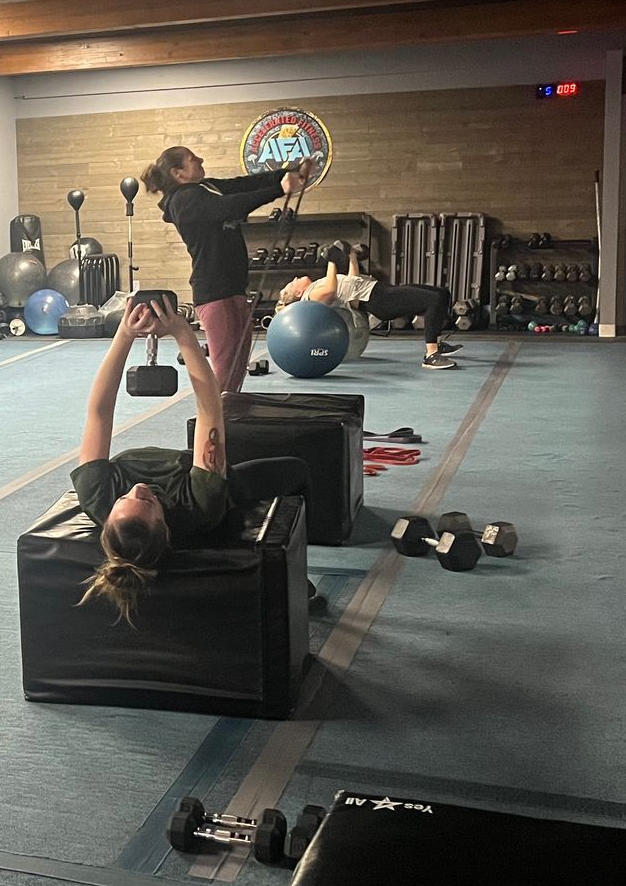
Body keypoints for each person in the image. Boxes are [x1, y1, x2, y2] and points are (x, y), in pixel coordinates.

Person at [73, 297, 315, 624]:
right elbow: (209, 409)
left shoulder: (97, 494)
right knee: (296, 470)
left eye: (125, 497)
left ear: (108, 513)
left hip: (191, 469)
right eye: (146, 501)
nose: (138, 489)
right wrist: (185, 335)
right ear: (165, 524)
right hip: (219, 485)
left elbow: (99, 413)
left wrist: (125, 333)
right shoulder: (199, 504)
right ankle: (301, 568)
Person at [141, 146, 313, 395]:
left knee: (237, 368)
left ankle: (229, 419)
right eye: (193, 159)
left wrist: (289, 173)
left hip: (234, 287)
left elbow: (244, 185)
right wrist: (280, 189)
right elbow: (231, 206)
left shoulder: (206, 187)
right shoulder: (183, 201)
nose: (201, 160)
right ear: (179, 173)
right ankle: (213, 425)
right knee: (223, 372)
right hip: (214, 292)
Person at [276, 242, 461, 369]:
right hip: (378, 300)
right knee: (433, 300)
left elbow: (353, 280)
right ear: (299, 293)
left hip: (378, 290)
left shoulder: (319, 283)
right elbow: (331, 291)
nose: (295, 278)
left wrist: (352, 256)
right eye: (292, 283)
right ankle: (431, 355)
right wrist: (332, 261)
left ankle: (436, 342)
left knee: (441, 294)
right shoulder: (310, 295)